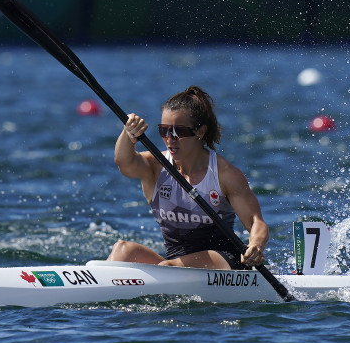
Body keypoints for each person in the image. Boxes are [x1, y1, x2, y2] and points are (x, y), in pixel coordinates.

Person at [107, 85, 269, 270]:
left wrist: (256, 245)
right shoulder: (155, 166)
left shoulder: (225, 174)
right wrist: (128, 135)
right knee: (122, 250)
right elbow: (124, 163)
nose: (170, 139)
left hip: (224, 261)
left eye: (179, 132)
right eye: (164, 130)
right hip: (174, 264)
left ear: (200, 132)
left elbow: (256, 221)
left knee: (169, 267)